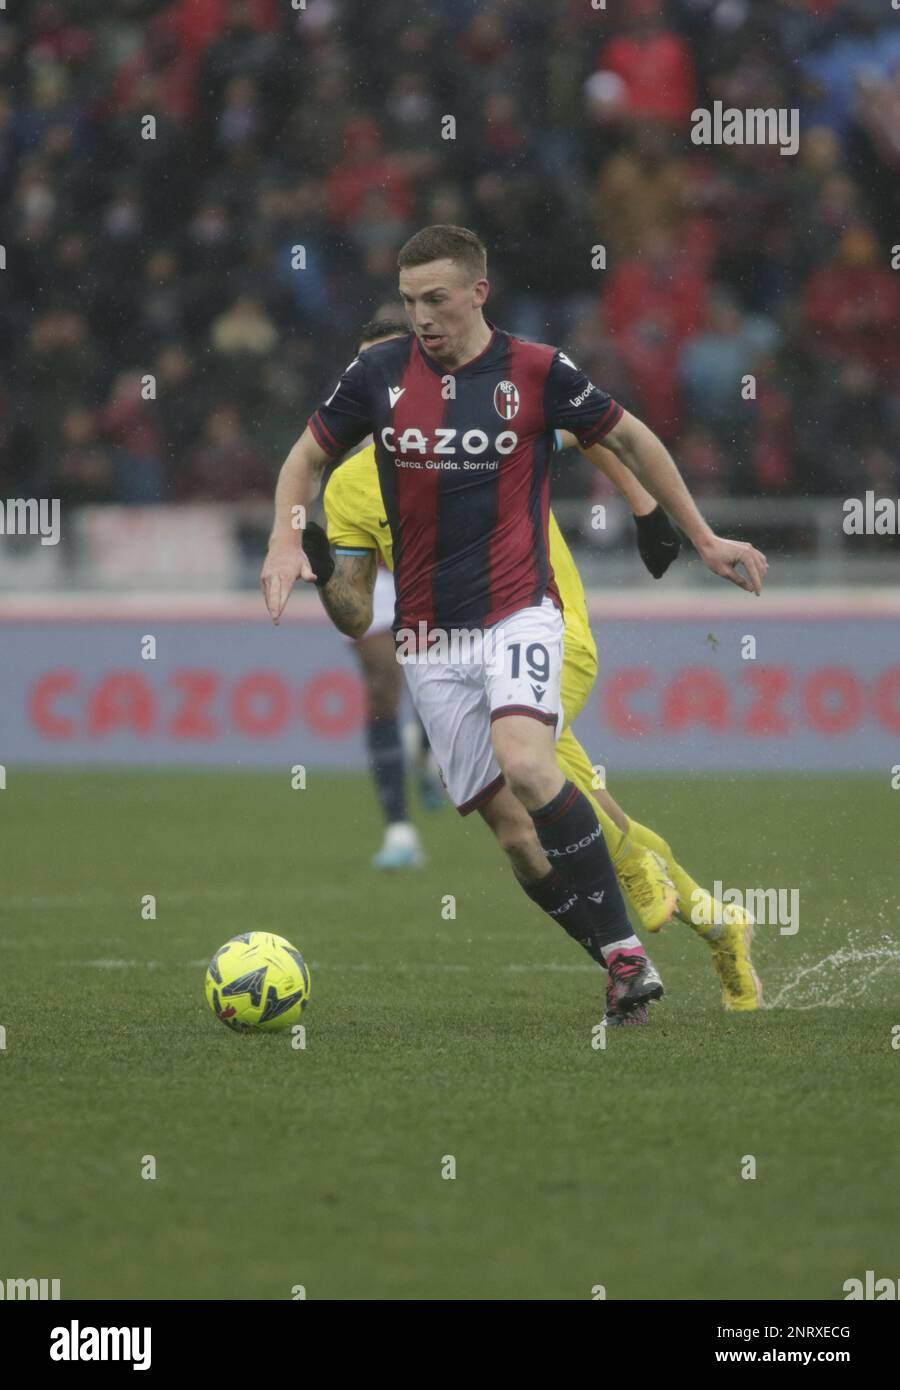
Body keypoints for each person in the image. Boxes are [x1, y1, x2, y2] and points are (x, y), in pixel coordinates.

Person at [262, 225, 767, 1021]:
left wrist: (673, 525)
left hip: (532, 616)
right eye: (408, 308)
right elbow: (355, 608)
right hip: (433, 642)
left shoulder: (523, 375)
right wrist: (307, 555)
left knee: (533, 765)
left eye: (433, 304)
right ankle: (685, 931)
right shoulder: (358, 470)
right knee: (521, 834)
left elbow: (612, 435)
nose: (421, 326)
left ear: (475, 295)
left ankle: (639, 906)